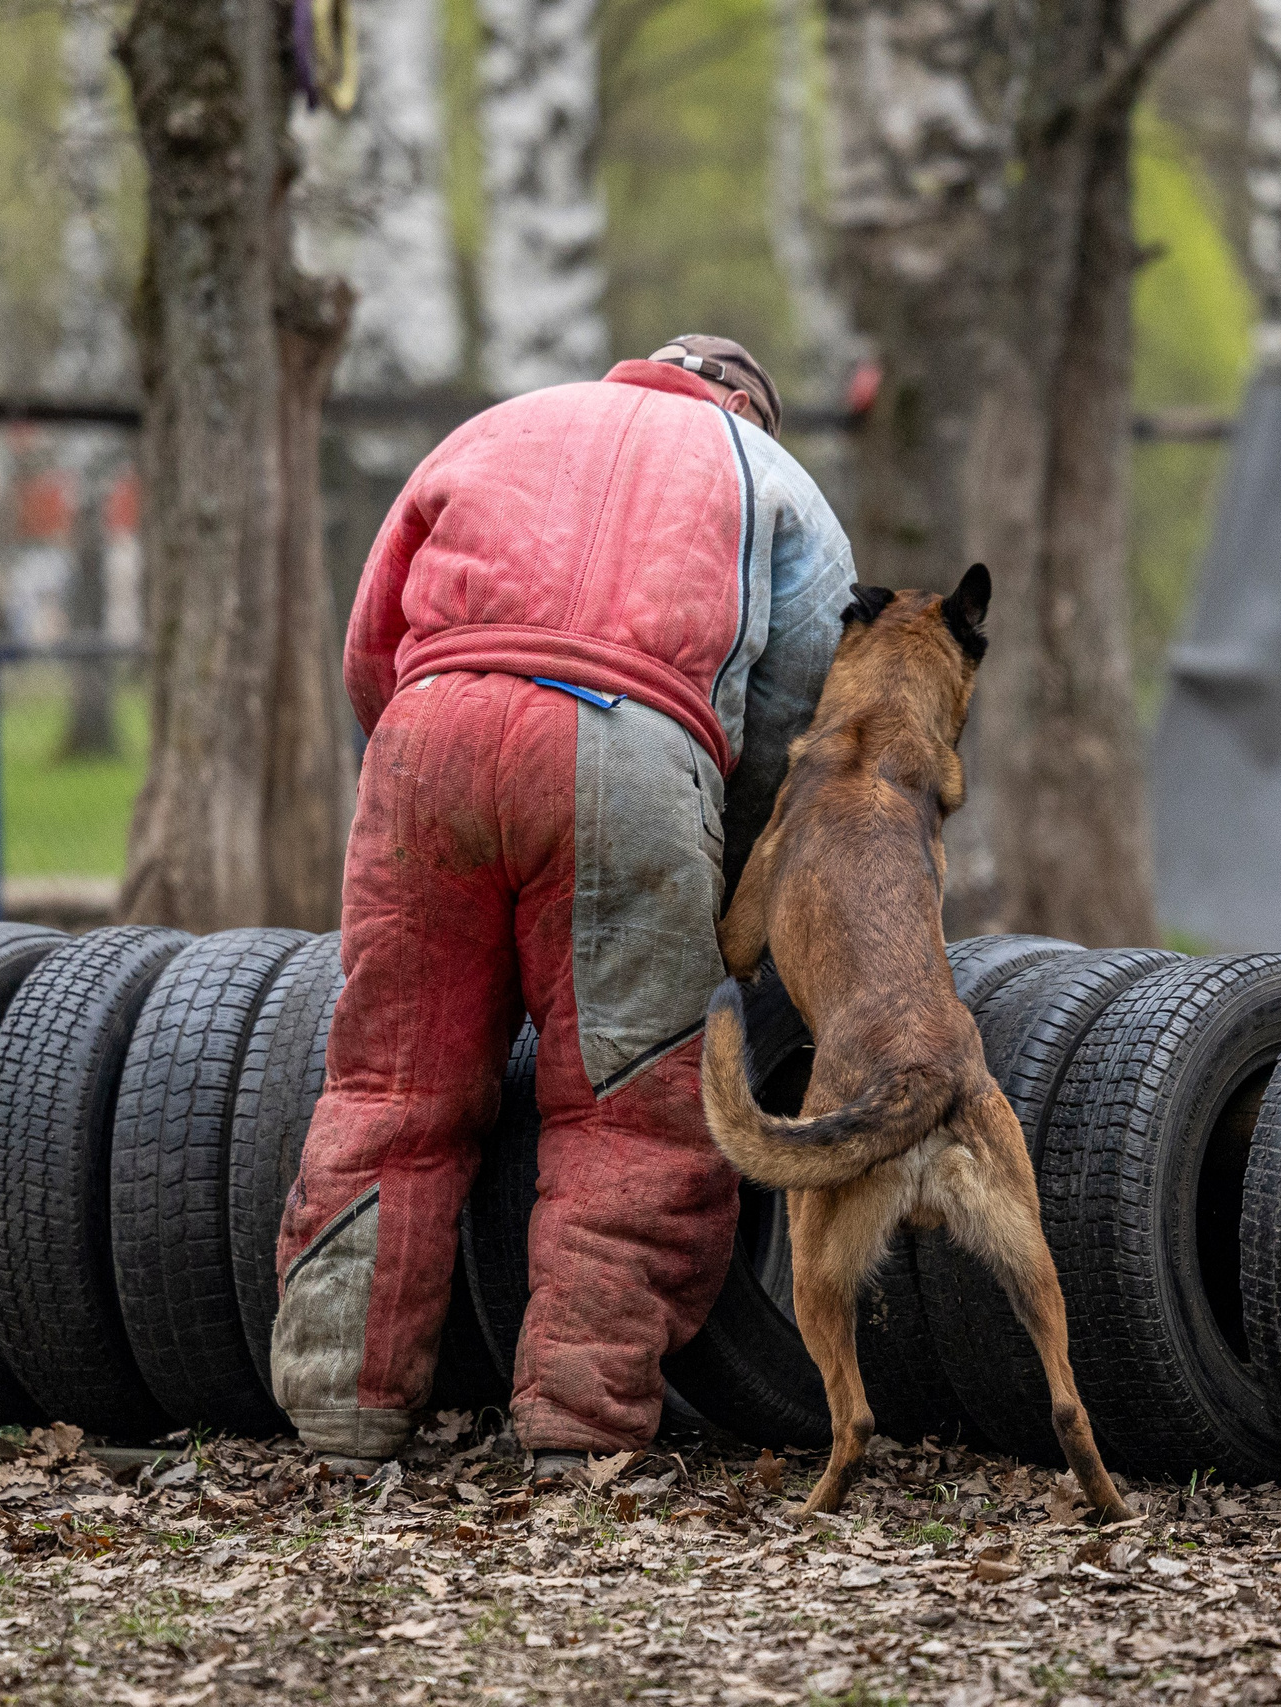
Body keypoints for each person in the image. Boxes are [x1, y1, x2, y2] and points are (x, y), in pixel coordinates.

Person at [270, 337, 857, 1481]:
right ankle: (576, 1431)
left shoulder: (495, 426)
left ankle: (341, 1423)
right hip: (626, 752)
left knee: (390, 1087)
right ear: (751, 407)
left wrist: (423, 751)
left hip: (426, 730)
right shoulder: (771, 478)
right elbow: (801, 709)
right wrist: (719, 860)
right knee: (625, 1112)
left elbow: (369, 642)